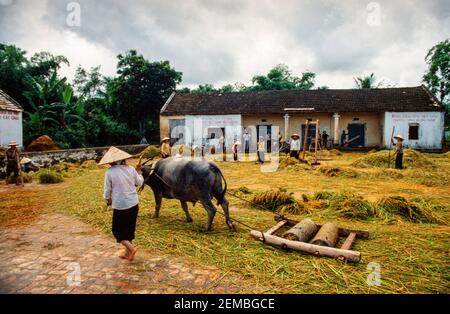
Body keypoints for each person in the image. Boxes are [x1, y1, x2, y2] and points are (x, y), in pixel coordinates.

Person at [100, 146, 144, 262]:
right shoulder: (130, 169)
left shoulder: (109, 172)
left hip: (121, 205)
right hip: (134, 204)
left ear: (113, 162)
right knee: (129, 230)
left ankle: (131, 249)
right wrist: (139, 171)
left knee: (117, 231)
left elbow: (107, 190)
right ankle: (127, 252)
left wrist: (108, 199)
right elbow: (139, 182)